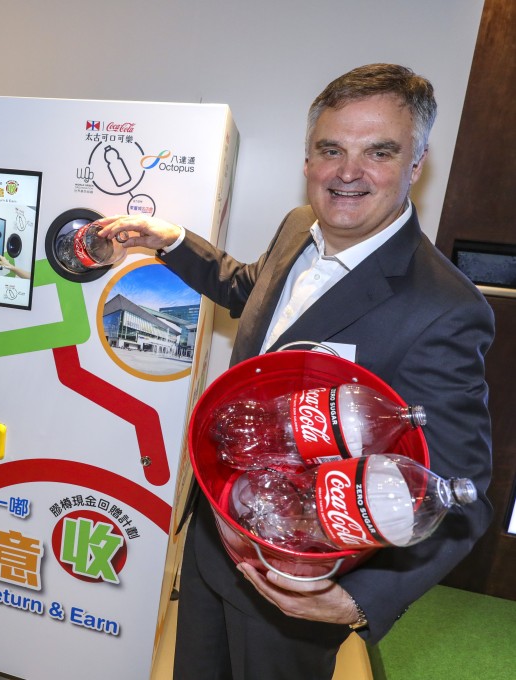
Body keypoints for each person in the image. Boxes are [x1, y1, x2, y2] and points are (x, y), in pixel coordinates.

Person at [95, 63, 494, 679]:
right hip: (215, 538)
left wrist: (362, 600)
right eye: (330, 150)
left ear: (415, 166)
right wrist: (170, 240)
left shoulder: (443, 307)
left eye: (378, 152)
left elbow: (462, 489)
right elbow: (249, 293)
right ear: (308, 158)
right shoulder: (294, 229)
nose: (348, 173)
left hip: (298, 586)